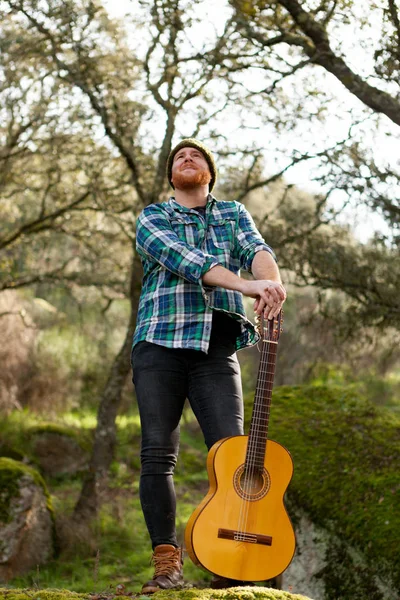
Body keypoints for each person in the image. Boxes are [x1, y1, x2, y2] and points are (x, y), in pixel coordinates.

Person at [131, 139, 286, 594]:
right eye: (178, 156)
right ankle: (167, 564)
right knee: (158, 451)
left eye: (196, 154)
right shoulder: (153, 218)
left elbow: (258, 250)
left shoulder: (233, 214)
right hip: (159, 343)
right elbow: (189, 262)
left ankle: (232, 562)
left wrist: (272, 285)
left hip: (216, 349)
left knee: (234, 455)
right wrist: (247, 285)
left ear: (209, 173)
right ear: (171, 175)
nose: (186, 157)